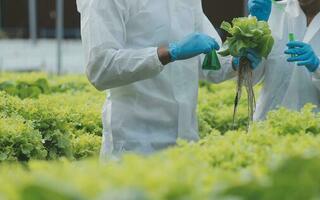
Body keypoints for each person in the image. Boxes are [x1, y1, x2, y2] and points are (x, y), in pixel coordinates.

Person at [77, 0, 237, 160]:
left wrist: (238, 59)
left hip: (186, 146)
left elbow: (210, 61)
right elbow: (101, 68)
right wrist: (167, 53)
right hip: (134, 148)